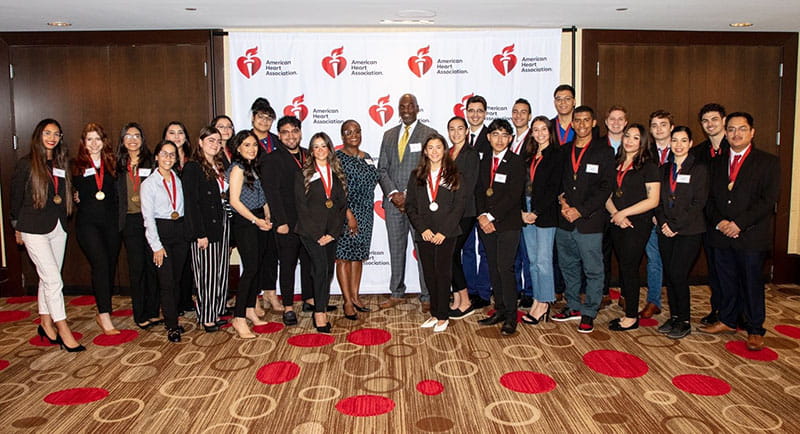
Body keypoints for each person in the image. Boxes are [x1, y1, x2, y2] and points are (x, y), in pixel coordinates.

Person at [699, 112, 779, 351]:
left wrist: (739, 224)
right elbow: (708, 198)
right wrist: (720, 222)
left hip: (750, 235)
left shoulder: (768, 162)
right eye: (732, 129)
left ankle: (755, 329)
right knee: (725, 281)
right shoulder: (715, 163)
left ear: (752, 132)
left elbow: (768, 200)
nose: (736, 134)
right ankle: (727, 319)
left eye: (742, 129)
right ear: (726, 133)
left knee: (752, 283)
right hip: (721, 234)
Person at [12, 119, 84, 352]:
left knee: (48, 278)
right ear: (38, 135)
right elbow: (15, 197)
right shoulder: (26, 164)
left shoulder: (62, 162)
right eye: (47, 133)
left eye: (56, 134)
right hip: (33, 228)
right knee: (54, 280)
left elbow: (61, 191)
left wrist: (73, 195)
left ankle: (45, 322)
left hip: (58, 227)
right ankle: (63, 328)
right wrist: (16, 227)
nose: (52, 138)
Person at [551, 106, 615, 334]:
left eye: (586, 120)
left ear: (594, 123)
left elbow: (606, 187)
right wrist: (563, 203)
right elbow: (559, 182)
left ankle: (589, 311)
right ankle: (573, 305)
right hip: (565, 219)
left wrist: (580, 210)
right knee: (568, 266)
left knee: (593, 269)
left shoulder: (604, 151)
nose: (581, 124)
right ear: (572, 124)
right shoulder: (564, 150)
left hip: (590, 221)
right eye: (577, 120)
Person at [377, 93, 436, 311]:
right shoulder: (389, 135)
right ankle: (396, 292)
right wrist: (394, 193)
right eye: (402, 106)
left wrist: (408, 195)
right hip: (393, 204)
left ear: (417, 108)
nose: (406, 110)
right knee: (396, 248)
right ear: (398, 110)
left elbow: (431, 169)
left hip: (419, 204)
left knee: (424, 250)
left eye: (411, 106)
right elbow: (382, 169)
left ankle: (427, 295)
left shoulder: (429, 134)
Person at [407, 133, 467, 332]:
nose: (434, 151)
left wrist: (444, 232)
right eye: (430, 147)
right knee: (429, 274)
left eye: (438, 147)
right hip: (424, 233)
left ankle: (443, 316)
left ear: (445, 150)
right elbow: (410, 207)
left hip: (446, 234)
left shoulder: (455, 175)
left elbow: (459, 207)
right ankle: (434, 313)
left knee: (443, 274)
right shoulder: (416, 175)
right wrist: (423, 229)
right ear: (425, 151)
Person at [655, 126, 709, 339]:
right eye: (675, 140)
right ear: (669, 143)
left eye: (683, 140)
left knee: (679, 273)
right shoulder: (664, 169)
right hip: (665, 230)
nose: (678, 145)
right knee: (670, 274)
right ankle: (674, 316)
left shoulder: (699, 169)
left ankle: (684, 320)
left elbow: (698, 203)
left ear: (691, 143)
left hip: (689, 231)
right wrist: (663, 223)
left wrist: (675, 226)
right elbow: (658, 202)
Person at [605, 123, 660, 331]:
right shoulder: (615, 162)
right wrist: (615, 214)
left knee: (630, 268)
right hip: (617, 221)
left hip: (637, 223)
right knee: (624, 267)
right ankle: (628, 311)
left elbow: (653, 200)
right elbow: (606, 194)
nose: (629, 141)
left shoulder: (648, 166)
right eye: (627, 136)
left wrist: (624, 213)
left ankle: (631, 317)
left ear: (643, 142)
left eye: (636, 138)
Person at [263, 116, 316, 325]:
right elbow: (272, 193)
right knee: (287, 264)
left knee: (309, 261)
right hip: (287, 221)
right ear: (279, 135)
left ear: (300, 133)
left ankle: (309, 299)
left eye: (294, 131)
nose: (290, 136)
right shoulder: (272, 159)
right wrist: (280, 222)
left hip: (309, 220)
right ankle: (287, 307)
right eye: (285, 132)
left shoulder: (308, 155)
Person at [475, 119, 526, 336]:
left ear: (510, 138)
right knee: (494, 268)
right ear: (488, 137)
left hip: (507, 224)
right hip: (485, 224)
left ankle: (511, 317)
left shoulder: (516, 161)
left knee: (505, 268)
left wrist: (491, 217)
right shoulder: (484, 160)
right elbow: (478, 191)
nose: (499, 139)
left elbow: (514, 195)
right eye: (495, 134)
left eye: (504, 135)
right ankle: (500, 310)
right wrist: (481, 216)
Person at [295, 132, 348, 333]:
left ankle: (320, 304)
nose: (320, 150)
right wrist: (318, 235)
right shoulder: (303, 174)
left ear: (329, 149)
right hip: (311, 233)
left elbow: (341, 206)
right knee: (320, 269)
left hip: (331, 232)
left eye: (323, 146)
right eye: (316, 146)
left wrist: (332, 233)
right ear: (311, 151)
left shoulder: (337, 173)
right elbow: (301, 208)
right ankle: (319, 314)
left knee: (328, 271)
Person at [72, 122, 122, 335]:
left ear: (104, 142)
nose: (94, 143)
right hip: (87, 224)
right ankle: (104, 315)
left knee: (109, 266)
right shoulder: (75, 165)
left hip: (111, 223)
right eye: (89, 139)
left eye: (98, 139)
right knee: (100, 264)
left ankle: (104, 307)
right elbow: (68, 190)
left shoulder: (113, 163)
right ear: (83, 142)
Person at [140, 140, 189, 342]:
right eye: (164, 154)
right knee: (167, 282)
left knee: (176, 280)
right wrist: (156, 246)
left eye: (172, 154)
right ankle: (172, 326)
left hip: (180, 232)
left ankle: (173, 318)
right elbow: (148, 219)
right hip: (162, 233)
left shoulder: (178, 179)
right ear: (156, 157)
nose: (168, 158)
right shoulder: (149, 184)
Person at [183, 126, 230, 333]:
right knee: (207, 274)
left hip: (222, 223)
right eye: (210, 140)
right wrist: (199, 233)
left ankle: (217, 310)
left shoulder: (220, 165)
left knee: (220, 271)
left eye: (218, 141)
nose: (215, 144)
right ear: (200, 142)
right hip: (204, 228)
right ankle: (207, 317)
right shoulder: (193, 167)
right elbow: (191, 204)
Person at [226, 130, 273, 339]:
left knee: (257, 267)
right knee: (251, 268)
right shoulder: (237, 168)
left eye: (254, 145)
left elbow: (262, 196)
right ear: (238, 148)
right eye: (247, 145)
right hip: (245, 222)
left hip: (259, 219)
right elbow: (234, 201)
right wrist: (256, 220)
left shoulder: (253, 166)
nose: (252, 149)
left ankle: (250, 310)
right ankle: (238, 317)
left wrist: (267, 215)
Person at [117, 123, 161, 330]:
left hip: (149, 218)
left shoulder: (151, 162)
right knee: (137, 268)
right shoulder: (117, 164)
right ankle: (140, 313)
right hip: (129, 221)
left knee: (153, 266)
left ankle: (153, 311)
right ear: (122, 140)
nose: (132, 140)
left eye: (137, 136)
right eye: (128, 136)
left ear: (142, 139)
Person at [335, 120, 379, 320]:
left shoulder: (367, 157)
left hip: (366, 213)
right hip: (346, 212)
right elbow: (336, 190)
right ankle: (346, 301)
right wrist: (348, 214)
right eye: (349, 132)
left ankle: (355, 296)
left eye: (357, 131)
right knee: (344, 257)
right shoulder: (337, 158)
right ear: (342, 136)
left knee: (358, 256)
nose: (354, 135)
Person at [520, 116, 562, 325]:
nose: (540, 133)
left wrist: (535, 212)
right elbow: (520, 184)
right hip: (526, 210)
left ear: (550, 131)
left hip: (545, 213)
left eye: (543, 129)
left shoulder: (556, 155)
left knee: (544, 261)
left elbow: (554, 188)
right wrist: (522, 211)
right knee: (533, 261)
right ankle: (537, 299)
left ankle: (544, 302)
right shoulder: (528, 154)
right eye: (536, 130)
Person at [691, 103, 729, 326]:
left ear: (723, 120)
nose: (710, 124)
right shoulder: (698, 153)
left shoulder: (734, 148)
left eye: (714, 119)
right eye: (705, 121)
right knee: (715, 269)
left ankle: (737, 313)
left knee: (734, 271)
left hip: (733, 222)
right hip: (709, 219)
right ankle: (718, 309)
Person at [637, 109, 674, 319]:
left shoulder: (681, 150)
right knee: (654, 259)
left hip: (674, 218)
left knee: (675, 263)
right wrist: (653, 211)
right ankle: (654, 301)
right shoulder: (645, 153)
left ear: (671, 128)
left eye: (663, 124)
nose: (659, 129)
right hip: (649, 215)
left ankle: (677, 305)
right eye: (654, 125)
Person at [446, 116, 480, 318]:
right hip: (449, 214)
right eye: (452, 129)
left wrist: (454, 211)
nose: (456, 132)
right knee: (450, 255)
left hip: (465, 212)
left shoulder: (471, 154)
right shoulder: (448, 153)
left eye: (460, 128)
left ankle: (466, 301)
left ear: (467, 131)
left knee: (451, 253)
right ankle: (458, 298)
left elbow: (468, 185)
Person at [461, 96, 493, 310]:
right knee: (467, 250)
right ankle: (469, 290)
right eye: (471, 110)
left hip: (483, 204)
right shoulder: (460, 137)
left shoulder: (491, 138)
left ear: (485, 113)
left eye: (479, 111)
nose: (475, 115)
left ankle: (483, 292)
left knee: (485, 250)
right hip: (464, 206)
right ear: (466, 112)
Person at [162, 121, 195, 315]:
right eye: (172, 133)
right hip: (170, 219)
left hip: (190, 217)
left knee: (187, 262)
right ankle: (173, 304)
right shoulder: (163, 160)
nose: (176, 136)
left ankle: (186, 299)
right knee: (172, 266)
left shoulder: (193, 159)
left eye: (180, 132)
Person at [601, 105, 629, 308]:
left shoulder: (634, 144)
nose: (616, 122)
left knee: (626, 256)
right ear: (606, 122)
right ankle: (603, 292)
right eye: (612, 118)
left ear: (626, 122)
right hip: (602, 208)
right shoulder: (597, 145)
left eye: (620, 119)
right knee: (602, 253)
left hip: (626, 210)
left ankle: (627, 294)